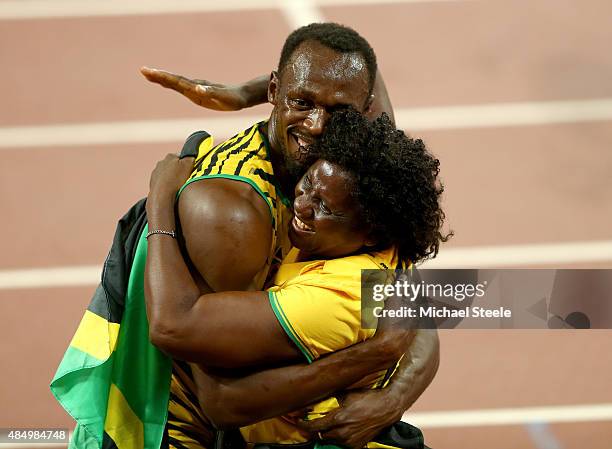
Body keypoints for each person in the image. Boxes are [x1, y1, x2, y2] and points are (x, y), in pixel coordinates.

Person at [51, 22, 439, 449]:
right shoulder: (233, 215)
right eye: (301, 101)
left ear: (364, 110)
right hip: (186, 434)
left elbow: (416, 297)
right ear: (278, 92)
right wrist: (375, 354)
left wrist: (393, 398)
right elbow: (220, 398)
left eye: (339, 110)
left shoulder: (358, 169)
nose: (316, 126)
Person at [145, 107, 448, 447]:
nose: (302, 207)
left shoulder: (337, 298)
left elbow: (220, 400)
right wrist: (255, 91)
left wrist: (159, 205)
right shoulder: (354, 238)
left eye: (323, 207)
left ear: (372, 236)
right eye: (307, 185)